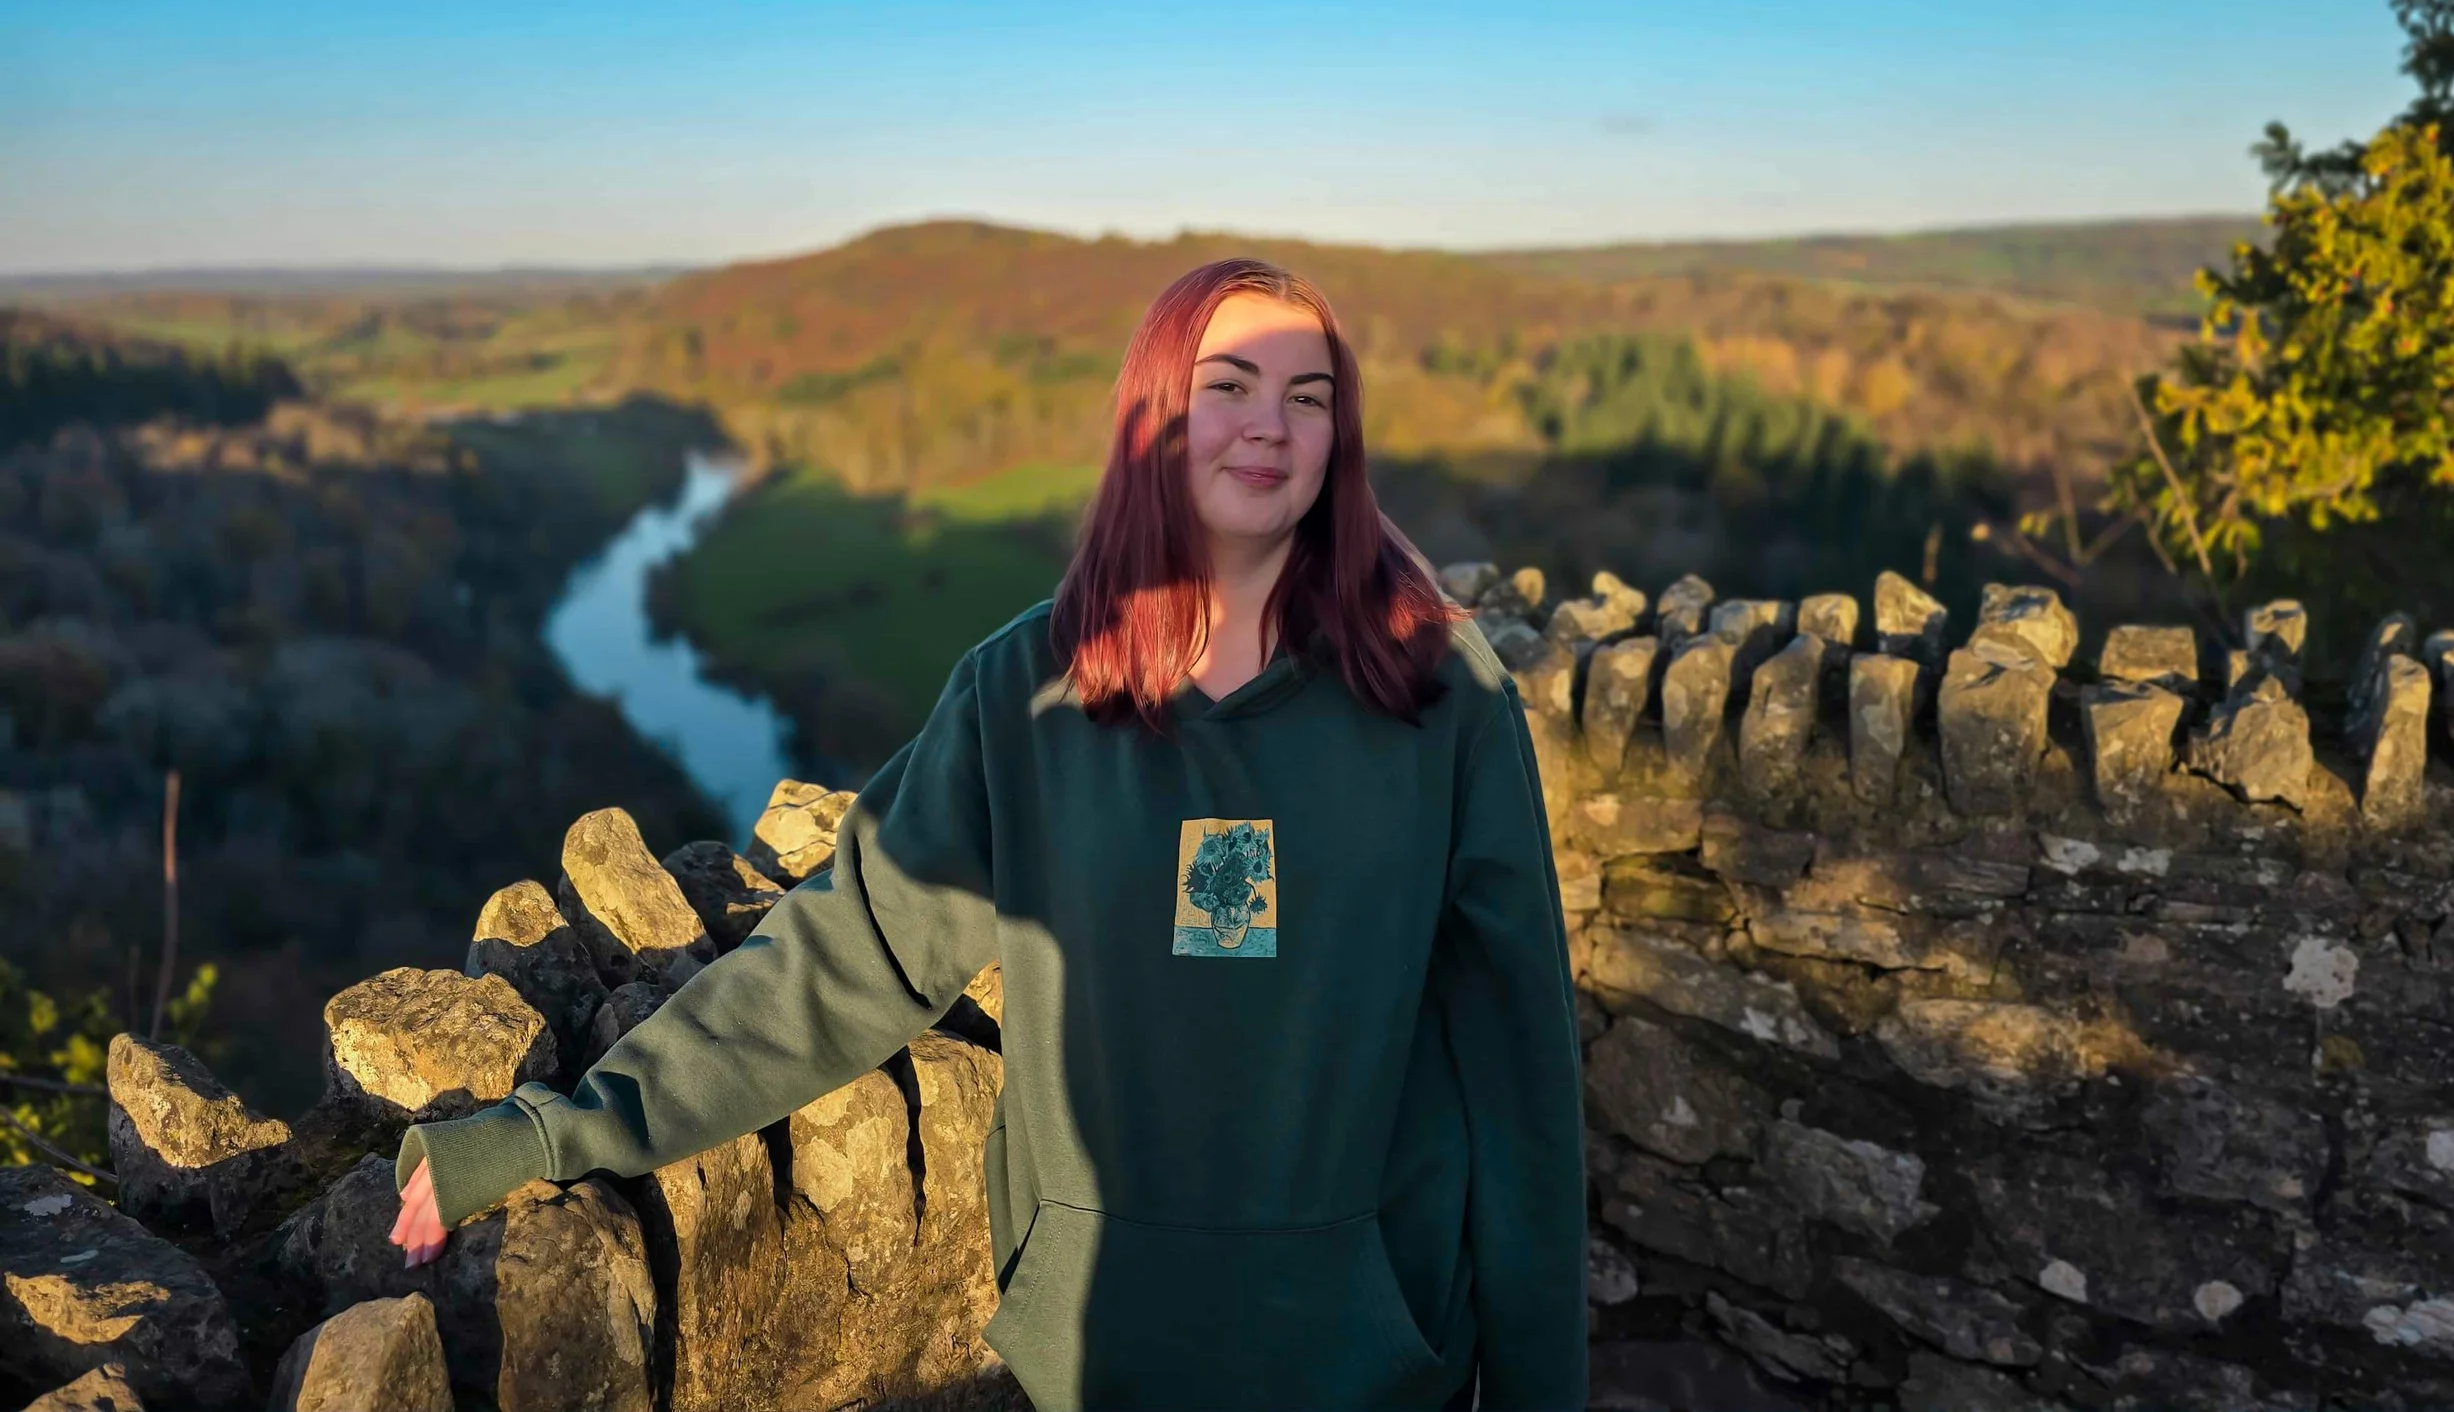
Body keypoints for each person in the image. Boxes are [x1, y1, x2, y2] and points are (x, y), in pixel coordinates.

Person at [389, 258, 1588, 1411]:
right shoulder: (1026, 693)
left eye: (1308, 397)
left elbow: (1517, 1062)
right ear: (1153, 415)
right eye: (1228, 386)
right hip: (1106, 1348)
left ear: (1341, 440)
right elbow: (839, 963)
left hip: (1368, 1357)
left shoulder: (1437, 695)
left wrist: (1540, 1389)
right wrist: (556, 1132)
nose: (1270, 425)